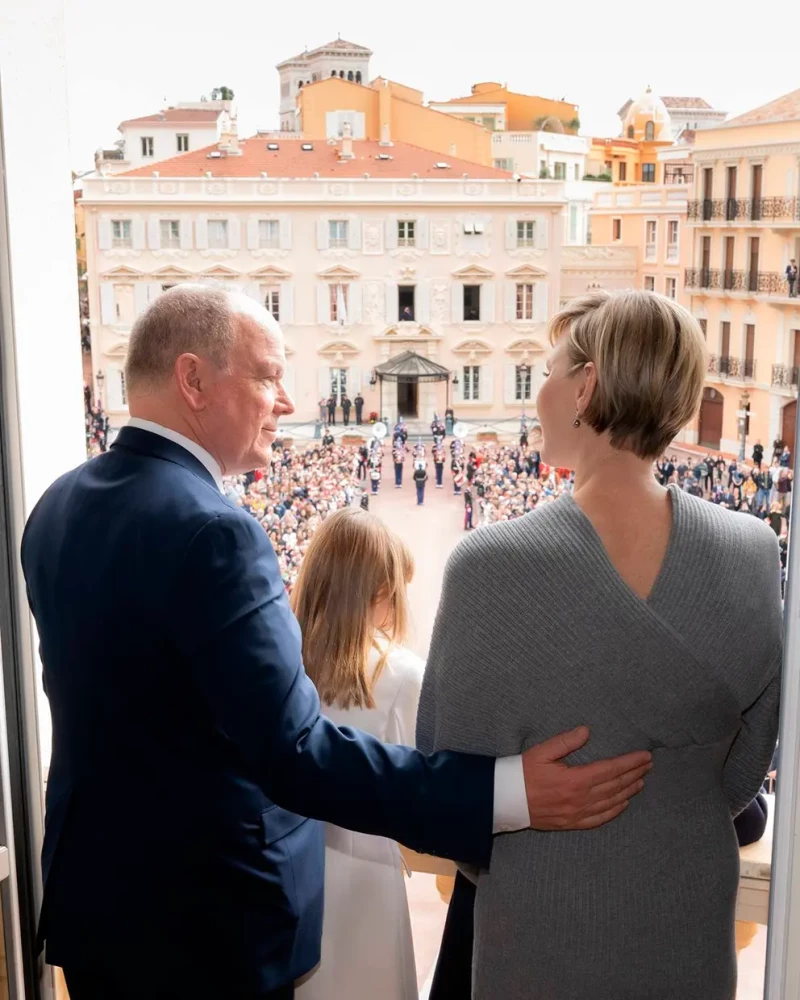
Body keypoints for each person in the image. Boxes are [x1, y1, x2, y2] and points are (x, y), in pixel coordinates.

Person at [23, 285, 650, 999]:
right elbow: (296, 754)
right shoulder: (215, 533)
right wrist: (510, 793)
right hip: (206, 931)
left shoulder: (57, 505)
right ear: (193, 380)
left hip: (95, 906)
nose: (286, 401)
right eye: (267, 375)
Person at [418, 290, 781, 1000]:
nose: (542, 392)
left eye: (549, 371)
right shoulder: (753, 551)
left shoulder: (489, 565)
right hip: (690, 926)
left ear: (585, 386)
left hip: (540, 925)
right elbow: (744, 769)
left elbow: (448, 789)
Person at [291, 509, 422, 1000]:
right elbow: (424, 783)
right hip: (366, 871)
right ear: (379, 595)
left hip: (287, 870)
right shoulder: (401, 674)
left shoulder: (276, 658)